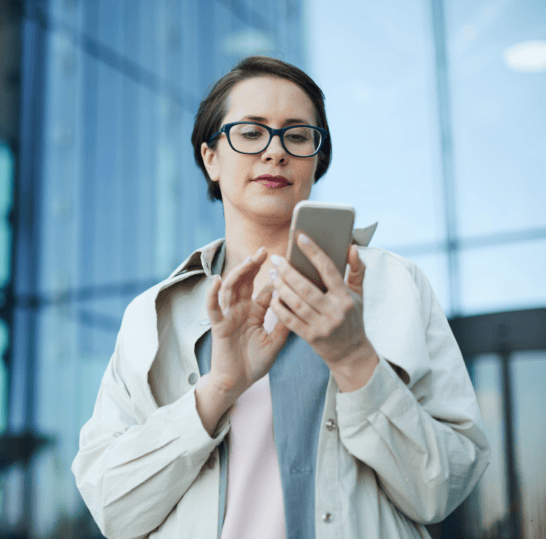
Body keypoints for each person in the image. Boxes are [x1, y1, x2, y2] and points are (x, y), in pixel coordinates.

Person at [71, 56, 489, 539]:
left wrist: (355, 360)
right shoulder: (154, 315)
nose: (275, 152)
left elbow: (442, 489)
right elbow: (112, 508)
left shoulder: (395, 285)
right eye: (250, 133)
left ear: (317, 158)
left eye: (297, 135)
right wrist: (220, 387)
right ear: (211, 157)